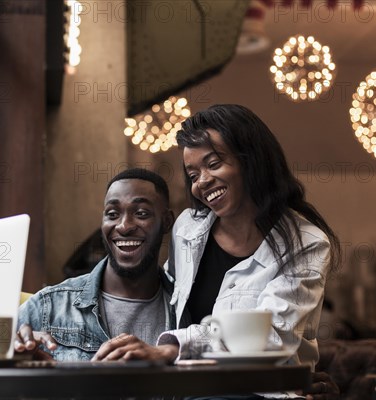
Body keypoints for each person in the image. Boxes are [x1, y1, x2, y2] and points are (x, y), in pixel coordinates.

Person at [94, 104, 341, 373]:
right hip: (190, 389)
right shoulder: (187, 229)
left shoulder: (306, 243)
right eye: (193, 175)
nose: (202, 182)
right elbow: (164, 297)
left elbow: (270, 336)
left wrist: (173, 349)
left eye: (213, 164)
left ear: (251, 160)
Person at [15, 168, 177, 361]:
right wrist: (14, 362)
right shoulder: (47, 307)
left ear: (167, 222)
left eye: (141, 213)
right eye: (112, 213)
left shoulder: (185, 309)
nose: (124, 226)